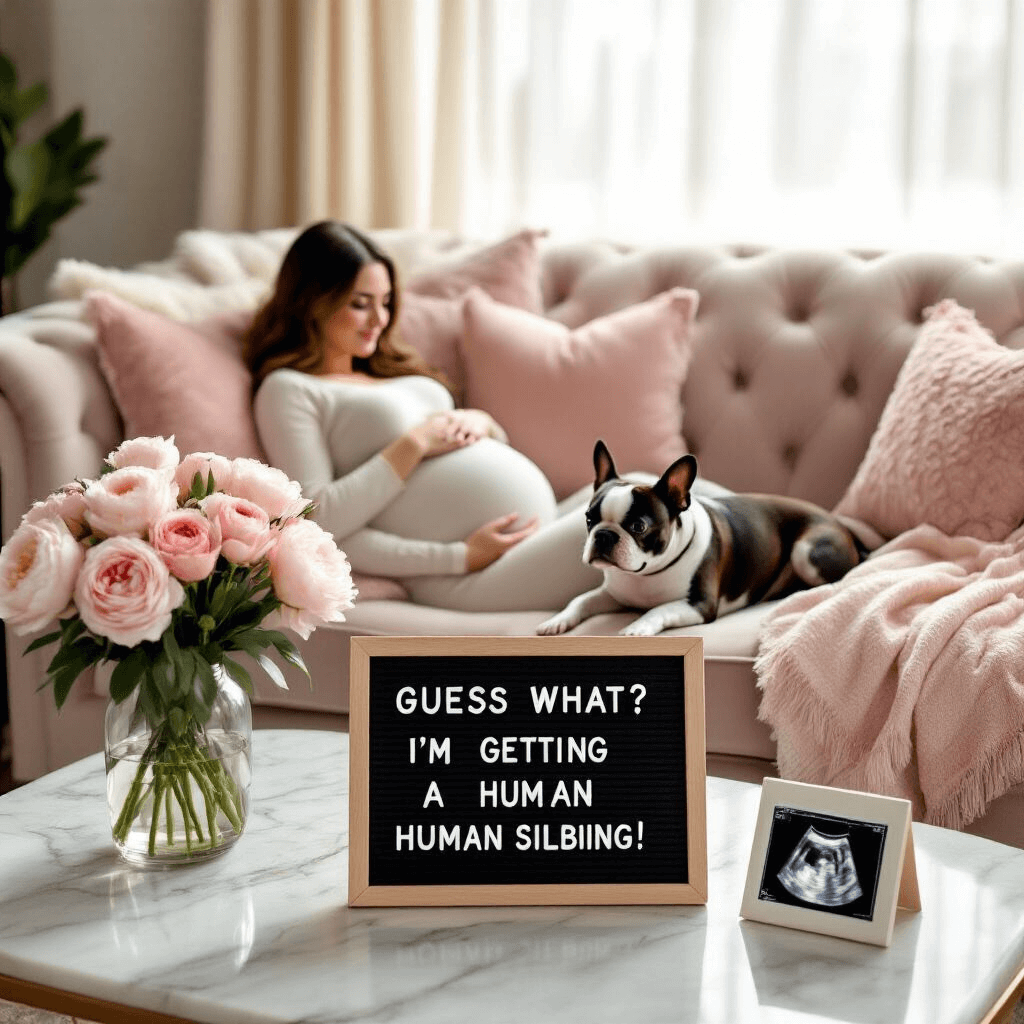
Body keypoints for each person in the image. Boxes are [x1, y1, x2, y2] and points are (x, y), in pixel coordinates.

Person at [244, 220, 606, 613]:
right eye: (360, 303)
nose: (379, 320)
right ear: (312, 301)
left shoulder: (389, 371)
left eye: (385, 303)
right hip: (472, 572)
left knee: (644, 487)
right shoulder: (289, 389)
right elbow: (317, 521)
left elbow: (465, 445)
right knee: (645, 517)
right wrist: (458, 553)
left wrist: (481, 423)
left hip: (537, 526)